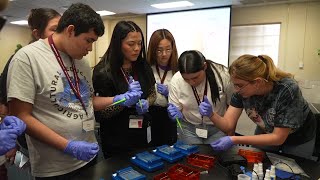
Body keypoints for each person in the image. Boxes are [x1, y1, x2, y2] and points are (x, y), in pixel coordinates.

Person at [6, 3, 110, 178]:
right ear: (70, 30)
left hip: (88, 156)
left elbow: (88, 101)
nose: (90, 48)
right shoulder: (27, 58)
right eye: (88, 40)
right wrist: (67, 146)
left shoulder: (82, 62)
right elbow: (21, 116)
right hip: (55, 168)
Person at [205, 54, 317, 160]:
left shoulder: (286, 89)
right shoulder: (241, 92)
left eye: (239, 85)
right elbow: (228, 125)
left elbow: (278, 138)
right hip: (267, 131)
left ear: (257, 82)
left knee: (294, 170)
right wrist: (211, 114)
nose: (236, 90)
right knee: (260, 165)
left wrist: (234, 139)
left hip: (299, 135)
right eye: (234, 84)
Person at [93, 20, 156, 158]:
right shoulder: (103, 71)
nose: (137, 48)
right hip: (116, 136)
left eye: (139, 43)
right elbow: (100, 113)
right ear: (118, 44)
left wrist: (147, 103)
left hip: (141, 132)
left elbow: (152, 93)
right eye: (131, 44)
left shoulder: (143, 65)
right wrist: (121, 102)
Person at [167, 50, 233, 144]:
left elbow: (233, 106)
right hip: (189, 127)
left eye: (195, 78)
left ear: (205, 66)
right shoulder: (176, 80)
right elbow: (174, 111)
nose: (191, 82)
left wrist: (230, 134)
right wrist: (174, 115)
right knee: (192, 156)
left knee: (214, 157)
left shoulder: (223, 75)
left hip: (218, 127)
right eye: (186, 79)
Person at [146, 29, 178, 146]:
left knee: (170, 149)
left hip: (170, 116)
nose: (164, 54)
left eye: (168, 49)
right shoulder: (148, 68)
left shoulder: (178, 70)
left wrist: (169, 93)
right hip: (151, 115)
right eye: (159, 50)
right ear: (153, 50)